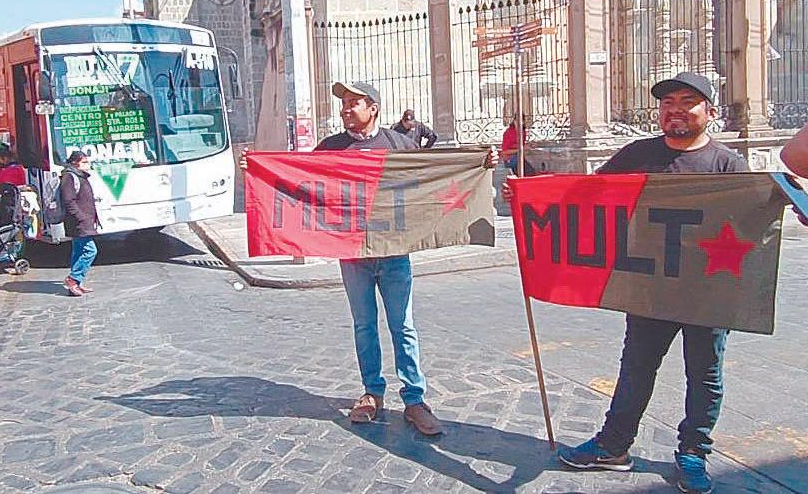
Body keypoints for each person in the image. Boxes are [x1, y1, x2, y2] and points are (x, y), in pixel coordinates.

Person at [504, 72, 745, 494]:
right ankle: (614, 446)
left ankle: (693, 453)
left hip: (706, 294)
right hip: (648, 290)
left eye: (687, 102)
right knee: (636, 368)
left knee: (705, 375)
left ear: (709, 112)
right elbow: (585, 194)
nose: (675, 110)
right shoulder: (638, 154)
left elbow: (750, 221)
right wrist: (528, 195)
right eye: (667, 103)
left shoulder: (728, 165)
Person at [241, 81, 495, 437]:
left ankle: (415, 399)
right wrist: (256, 168)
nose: (346, 109)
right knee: (364, 326)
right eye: (344, 103)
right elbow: (298, 178)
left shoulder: (398, 145)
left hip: (394, 253)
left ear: (373, 108)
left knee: (403, 326)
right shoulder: (331, 148)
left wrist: (480, 162)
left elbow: (435, 171)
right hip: (353, 255)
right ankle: (372, 392)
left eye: (353, 103)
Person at [61, 150, 100, 296]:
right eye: (84, 162)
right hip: (78, 222)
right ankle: (73, 279)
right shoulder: (69, 177)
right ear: (75, 163)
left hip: (83, 221)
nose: (88, 165)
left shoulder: (79, 176)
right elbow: (68, 201)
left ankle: (77, 284)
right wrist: (81, 216)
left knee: (78, 251)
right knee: (90, 251)